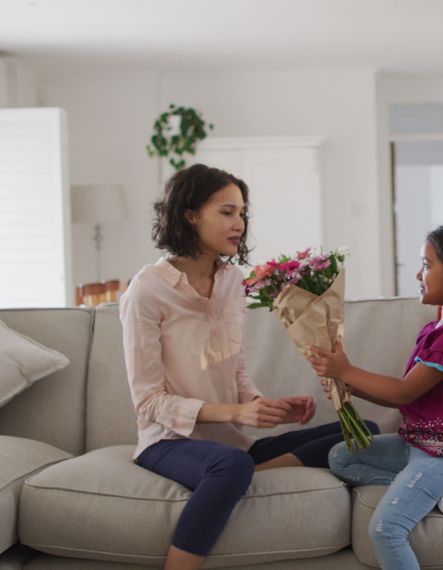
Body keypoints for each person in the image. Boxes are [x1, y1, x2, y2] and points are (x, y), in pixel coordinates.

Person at [121, 163, 378, 570]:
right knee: (233, 464)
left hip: (232, 441)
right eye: (226, 212)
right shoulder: (147, 290)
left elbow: (235, 367)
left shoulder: (231, 283)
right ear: (190, 214)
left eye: (242, 213)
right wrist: (238, 413)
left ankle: (239, 479)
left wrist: (261, 406)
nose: (238, 223)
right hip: (168, 443)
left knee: (365, 432)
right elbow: (149, 402)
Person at [307, 221, 443, 569]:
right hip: (418, 444)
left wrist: (346, 369)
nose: (419, 274)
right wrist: (347, 384)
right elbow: (409, 395)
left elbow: (404, 392)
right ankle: (436, 494)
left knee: (386, 530)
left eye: (426, 265)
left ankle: (436, 487)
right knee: (341, 458)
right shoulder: (435, 329)